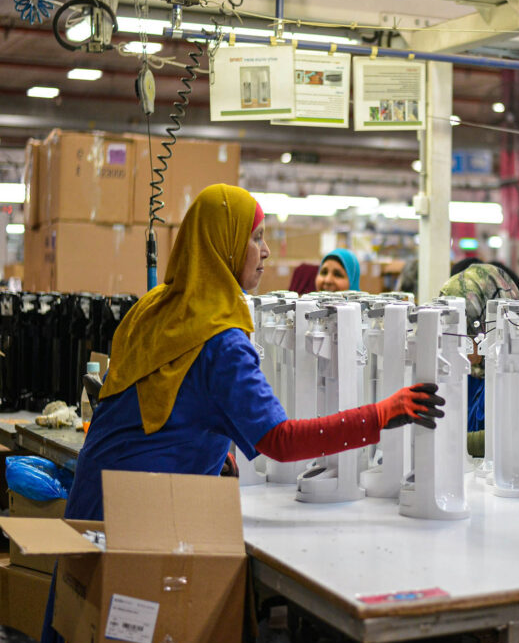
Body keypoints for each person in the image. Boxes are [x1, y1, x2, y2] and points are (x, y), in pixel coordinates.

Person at [63, 185, 444, 522]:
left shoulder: (153, 307)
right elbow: (280, 441)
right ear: (224, 244)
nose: (265, 251)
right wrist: (380, 414)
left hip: (94, 498)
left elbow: (159, 403)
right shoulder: (220, 340)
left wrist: (210, 447)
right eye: (256, 237)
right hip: (139, 517)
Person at [439, 263, 519, 456]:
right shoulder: (468, 373)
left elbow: (509, 437)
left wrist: (445, 442)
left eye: (466, 336)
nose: (457, 348)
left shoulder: (517, 375)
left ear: (486, 325)